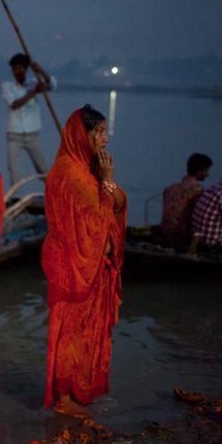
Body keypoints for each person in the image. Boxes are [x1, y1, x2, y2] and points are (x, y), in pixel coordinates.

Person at [41, 104, 127, 418]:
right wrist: (107, 181)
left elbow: (118, 201)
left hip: (91, 268)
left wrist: (106, 182)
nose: (105, 138)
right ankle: (63, 398)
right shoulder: (68, 175)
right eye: (99, 132)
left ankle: (79, 390)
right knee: (70, 336)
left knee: (88, 334)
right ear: (83, 134)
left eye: (105, 130)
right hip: (73, 269)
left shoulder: (85, 168)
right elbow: (96, 222)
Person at [1, 53, 57, 185]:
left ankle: (54, 194)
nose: (17, 71)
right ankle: (15, 198)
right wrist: (33, 92)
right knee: (13, 169)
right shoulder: (7, 86)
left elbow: (52, 85)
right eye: (15, 69)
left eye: (20, 68)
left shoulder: (33, 83)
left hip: (32, 135)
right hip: (14, 136)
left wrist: (40, 71)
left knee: (42, 168)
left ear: (26, 69)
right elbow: (14, 105)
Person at [161, 153, 212, 247]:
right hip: (181, 235)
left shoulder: (170, 189)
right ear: (198, 171)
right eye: (206, 171)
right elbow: (198, 218)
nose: (208, 175)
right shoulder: (197, 190)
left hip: (165, 232)